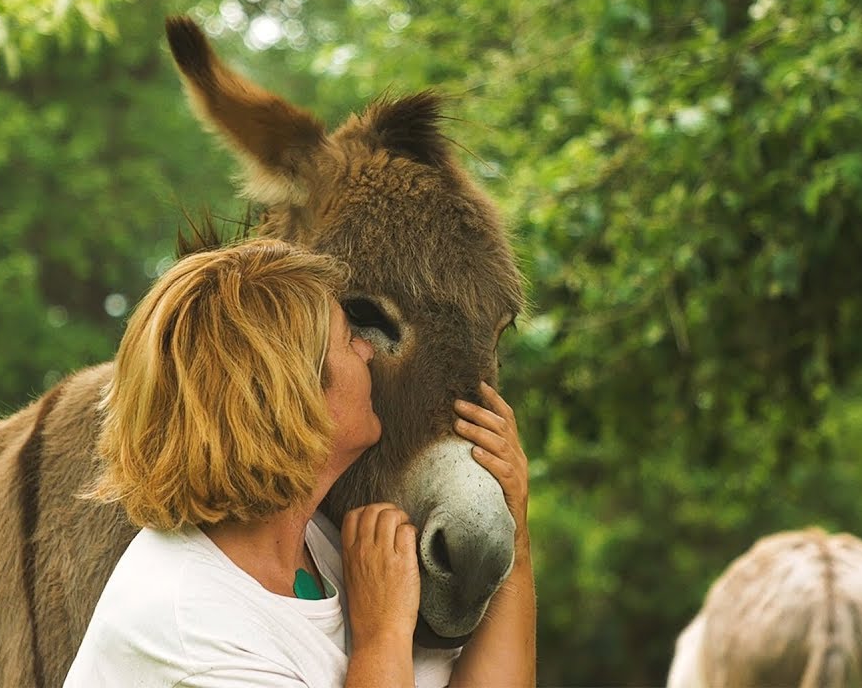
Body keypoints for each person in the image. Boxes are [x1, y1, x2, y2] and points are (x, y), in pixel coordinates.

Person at [64, 238, 535, 687]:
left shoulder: (321, 544)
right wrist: (380, 639)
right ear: (292, 394)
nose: (367, 351)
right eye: (349, 338)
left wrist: (516, 534)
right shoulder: (196, 631)